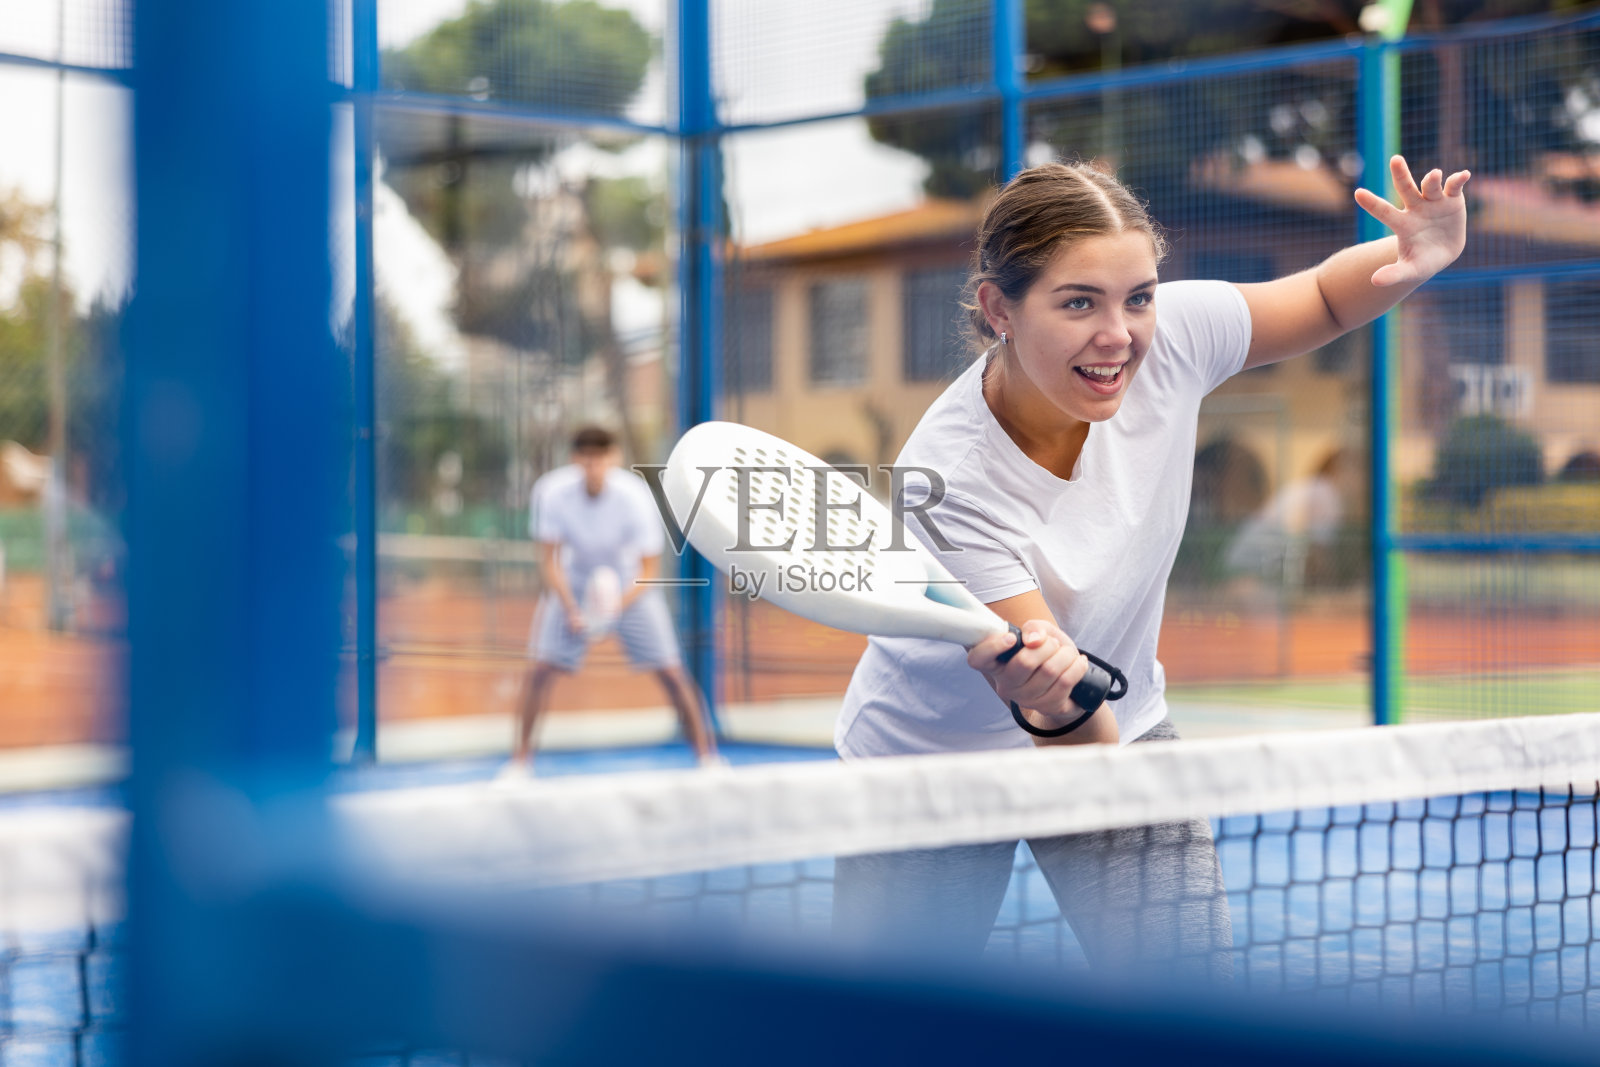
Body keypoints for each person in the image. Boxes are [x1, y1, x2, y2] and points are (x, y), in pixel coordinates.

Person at [833, 156, 1470, 978]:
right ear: (998, 309)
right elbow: (1070, 722)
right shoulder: (949, 480)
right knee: (897, 1022)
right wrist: (1054, 696)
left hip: (1116, 719)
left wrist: (1413, 256)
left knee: (1188, 989)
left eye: (1138, 296)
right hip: (933, 768)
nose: (1119, 334)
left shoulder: (1172, 339)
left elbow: (1319, 297)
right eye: (1078, 302)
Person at [507, 425, 721, 774]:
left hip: (628, 585)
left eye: (601, 457)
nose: (593, 465)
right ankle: (519, 764)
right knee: (540, 669)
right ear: (575, 459)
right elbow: (549, 560)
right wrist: (572, 608)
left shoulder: (635, 495)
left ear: (614, 458)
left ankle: (708, 758)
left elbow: (649, 568)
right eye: (586, 457)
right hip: (574, 583)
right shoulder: (551, 491)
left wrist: (611, 608)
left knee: (671, 670)